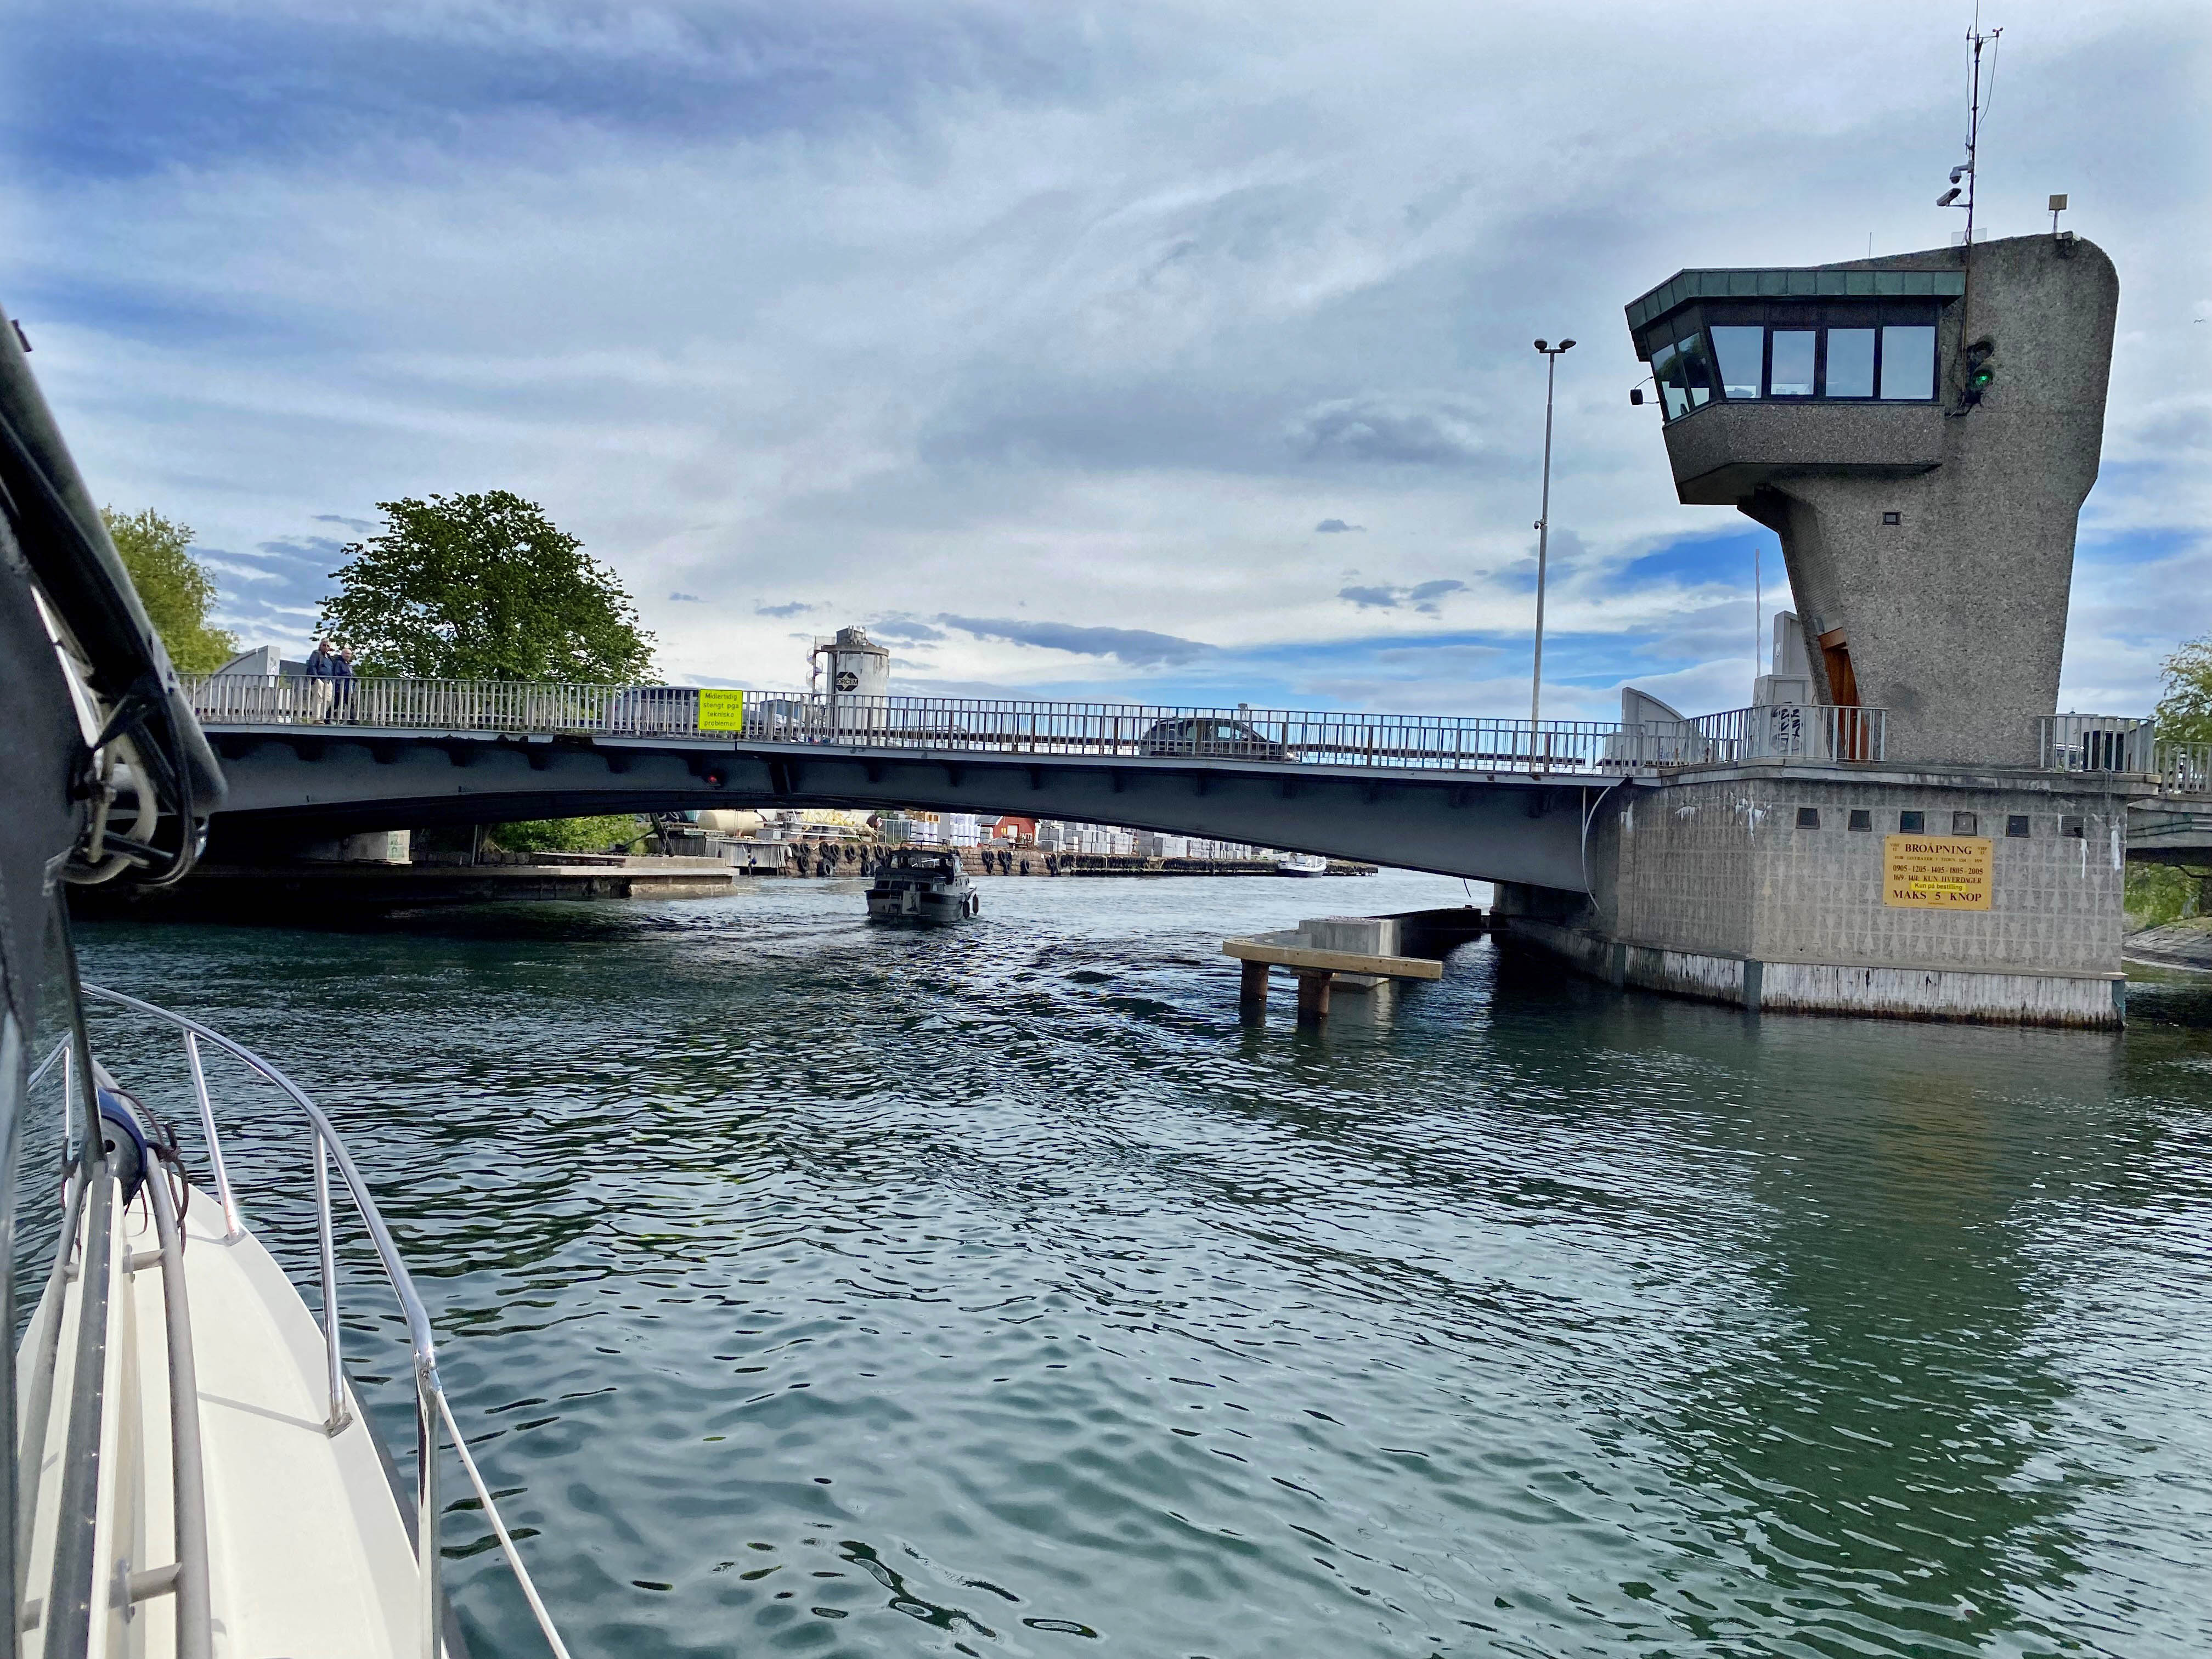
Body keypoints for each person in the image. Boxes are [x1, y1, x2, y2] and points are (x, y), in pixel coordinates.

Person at [303, 637, 337, 723]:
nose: (326, 647)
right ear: (320, 646)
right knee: (318, 698)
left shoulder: (329, 657)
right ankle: (316, 718)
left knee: (328, 699)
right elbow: (312, 666)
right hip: (319, 680)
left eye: (328, 646)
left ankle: (323, 717)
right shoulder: (316, 654)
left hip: (328, 681)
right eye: (324, 645)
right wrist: (316, 678)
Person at [332, 646, 356, 721]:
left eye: (350, 654)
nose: (348, 655)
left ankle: (353, 720)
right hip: (341, 688)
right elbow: (337, 674)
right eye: (347, 654)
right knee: (336, 703)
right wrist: (338, 687)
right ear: (342, 654)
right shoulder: (339, 663)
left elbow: (353, 675)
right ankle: (328, 717)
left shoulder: (349, 665)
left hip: (348, 688)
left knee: (350, 704)